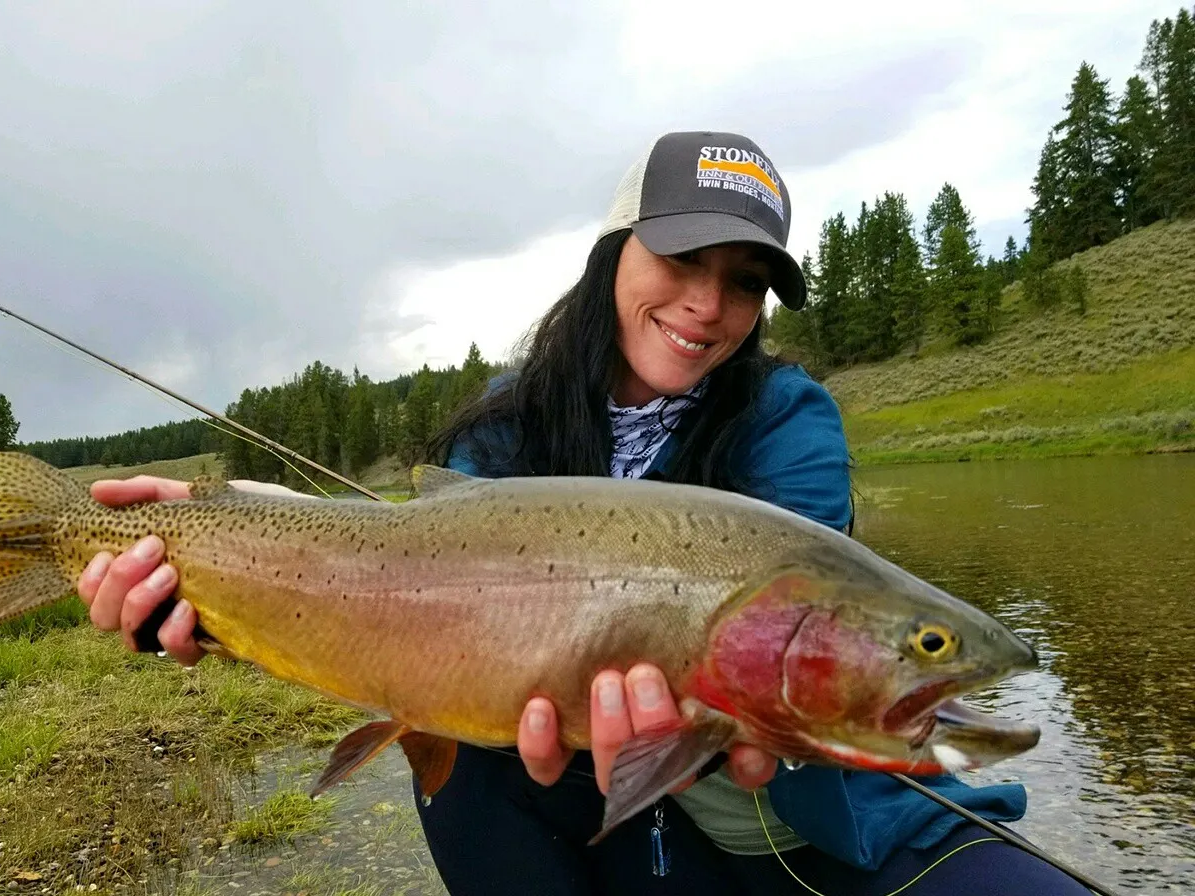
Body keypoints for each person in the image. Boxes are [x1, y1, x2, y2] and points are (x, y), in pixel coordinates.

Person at [76, 131, 1090, 895]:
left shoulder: (788, 422)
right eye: (681, 260)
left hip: (812, 826)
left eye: (743, 283)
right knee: (465, 761)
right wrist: (203, 578)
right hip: (578, 800)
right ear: (614, 253)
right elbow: (378, 579)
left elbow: (789, 687)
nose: (706, 304)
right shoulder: (510, 425)